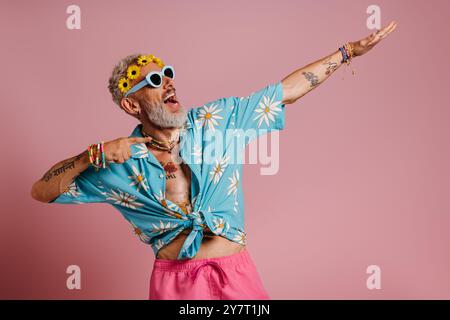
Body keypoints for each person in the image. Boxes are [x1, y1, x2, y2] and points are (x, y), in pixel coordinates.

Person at [31, 22, 397, 300]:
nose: (169, 83)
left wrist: (347, 52)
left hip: (236, 274)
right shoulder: (117, 163)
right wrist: (89, 155)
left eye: (169, 74)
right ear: (132, 104)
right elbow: (42, 191)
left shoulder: (216, 121)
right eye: (155, 80)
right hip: (175, 282)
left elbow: (285, 93)